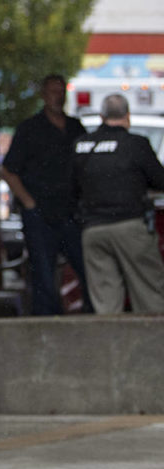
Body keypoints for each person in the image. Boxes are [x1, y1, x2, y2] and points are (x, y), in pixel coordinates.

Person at [0, 74, 91, 315]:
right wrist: (29, 203)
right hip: (40, 214)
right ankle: (47, 326)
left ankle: (90, 320)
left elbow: (86, 167)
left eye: (61, 92)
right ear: (43, 95)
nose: (57, 97)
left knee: (88, 269)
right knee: (43, 276)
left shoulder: (75, 128)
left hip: (71, 211)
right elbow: (8, 170)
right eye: (52, 92)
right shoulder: (30, 129)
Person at [72, 93, 164, 314]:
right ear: (127, 116)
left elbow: (71, 188)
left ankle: (110, 347)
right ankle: (152, 346)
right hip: (130, 227)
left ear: (102, 116)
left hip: (93, 230)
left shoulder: (80, 146)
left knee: (105, 301)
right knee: (149, 293)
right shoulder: (136, 144)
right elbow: (160, 180)